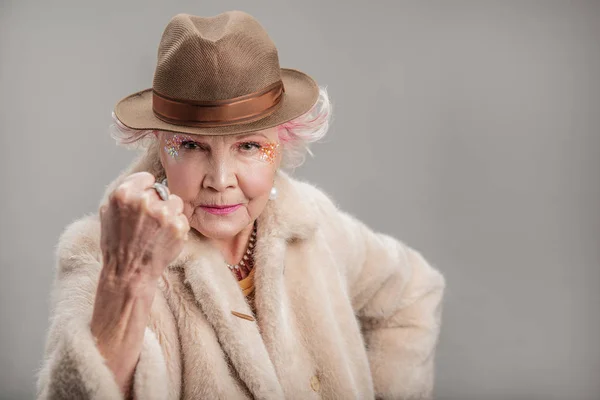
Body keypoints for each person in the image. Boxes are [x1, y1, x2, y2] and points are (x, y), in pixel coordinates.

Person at [37, 10, 446, 400]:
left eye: (249, 146)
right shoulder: (102, 253)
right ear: (159, 146)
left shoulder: (312, 221)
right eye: (191, 146)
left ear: (283, 142)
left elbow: (414, 291)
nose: (220, 179)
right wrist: (127, 279)